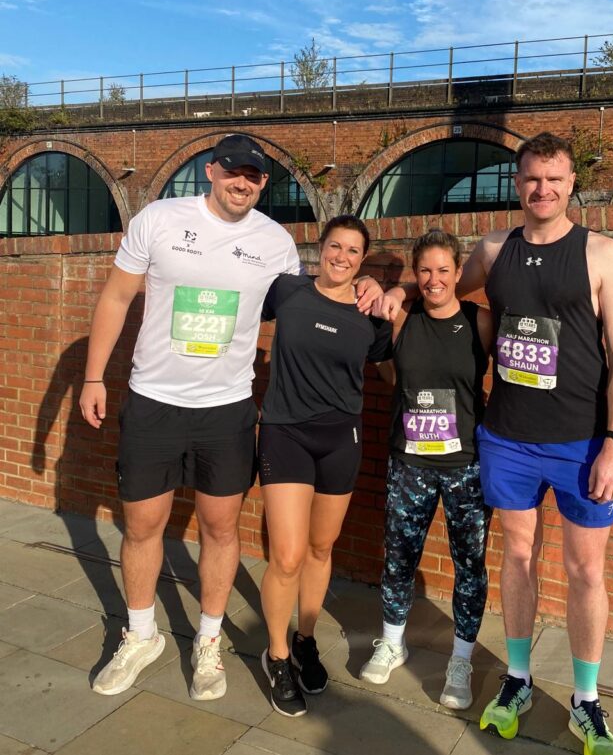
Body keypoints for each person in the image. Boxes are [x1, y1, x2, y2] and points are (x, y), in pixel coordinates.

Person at [79, 135, 381, 701]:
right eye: (234, 171)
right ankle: (141, 634)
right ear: (211, 171)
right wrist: (94, 376)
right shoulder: (159, 219)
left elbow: (316, 293)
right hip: (154, 400)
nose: (243, 182)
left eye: (255, 176)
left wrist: (369, 284)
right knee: (143, 527)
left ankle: (209, 644)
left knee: (221, 530)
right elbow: (118, 296)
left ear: (264, 183)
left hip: (228, 408)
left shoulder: (275, 243)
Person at [380, 132, 613, 755]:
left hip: (580, 441)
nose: (542, 189)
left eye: (554, 179)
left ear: (571, 184)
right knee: (518, 558)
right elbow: (438, 285)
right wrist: (397, 292)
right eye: (531, 179)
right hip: (506, 438)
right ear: (517, 184)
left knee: (585, 570)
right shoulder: (495, 250)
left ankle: (586, 699)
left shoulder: (603, 255)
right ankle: (517, 680)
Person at [257, 215, 392, 718]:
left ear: (363, 261)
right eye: (335, 246)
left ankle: (306, 639)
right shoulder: (287, 291)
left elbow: (390, 362)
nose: (342, 257)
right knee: (287, 556)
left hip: (341, 439)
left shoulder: (370, 313)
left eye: (354, 252)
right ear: (320, 247)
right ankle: (276, 655)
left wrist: (387, 293)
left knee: (319, 548)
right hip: (285, 432)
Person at [358, 229, 494, 711]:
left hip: (466, 467)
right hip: (410, 462)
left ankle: (461, 658)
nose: (434, 280)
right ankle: (393, 642)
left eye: (443, 270)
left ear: (459, 274)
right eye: (424, 271)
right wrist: (399, 293)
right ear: (415, 275)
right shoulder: (401, 318)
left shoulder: (480, 321)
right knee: (399, 556)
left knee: (469, 564)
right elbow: (388, 372)